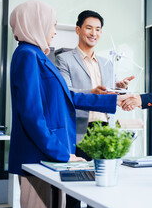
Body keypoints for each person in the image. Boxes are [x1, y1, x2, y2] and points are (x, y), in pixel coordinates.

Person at [8, 1, 129, 208]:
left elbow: (67, 98)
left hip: (48, 154)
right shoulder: (27, 56)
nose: (54, 31)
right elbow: (32, 115)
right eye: (52, 25)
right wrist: (63, 154)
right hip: (39, 156)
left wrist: (113, 99)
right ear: (36, 23)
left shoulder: (37, 55)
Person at [56, 10, 134, 160]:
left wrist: (121, 88)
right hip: (80, 128)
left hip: (105, 127)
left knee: (103, 176)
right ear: (78, 30)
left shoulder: (107, 63)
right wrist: (92, 91)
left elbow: (112, 94)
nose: (94, 33)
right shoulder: (64, 59)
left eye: (98, 29)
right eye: (89, 28)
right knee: (80, 177)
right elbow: (65, 92)